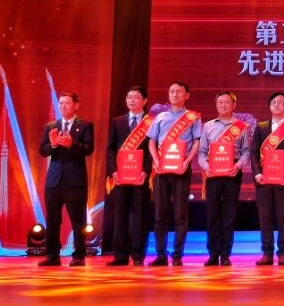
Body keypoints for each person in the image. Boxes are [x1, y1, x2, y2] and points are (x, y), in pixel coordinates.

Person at [146, 81, 202, 266]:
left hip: (182, 169)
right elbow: (152, 141)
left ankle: (177, 255)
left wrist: (188, 160)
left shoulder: (193, 117)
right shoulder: (160, 117)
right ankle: (161, 255)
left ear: (187, 95)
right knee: (160, 214)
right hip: (161, 170)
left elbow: (196, 141)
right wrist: (155, 160)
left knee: (180, 215)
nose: (175, 94)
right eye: (172, 91)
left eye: (179, 91)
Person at [37, 92, 94, 267]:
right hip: (54, 180)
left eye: (67, 103)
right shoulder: (51, 126)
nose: (63, 106)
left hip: (75, 181)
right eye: (60, 103)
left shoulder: (85, 126)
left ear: (76, 105)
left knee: (78, 221)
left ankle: (79, 256)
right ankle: (52, 255)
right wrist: (53, 145)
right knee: (53, 219)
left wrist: (72, 145)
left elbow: (89, 149)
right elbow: (43, 150)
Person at [197, 91, 251, 266]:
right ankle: (213, 254)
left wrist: (238, 166)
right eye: (220, 102)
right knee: (212, 214)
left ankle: (226, 254)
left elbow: (246, 152)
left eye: (227, 102)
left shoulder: (241, 127)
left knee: (229, 215)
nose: (223, 105)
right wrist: (206, 168)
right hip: (212, 173)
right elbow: (202, 152)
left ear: (234, 105)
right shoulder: (208, 126)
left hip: (232, 172)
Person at [250, 91, 284, 266]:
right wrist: (257, 173)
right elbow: (254, 153)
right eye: (273, 102)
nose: (277, 105)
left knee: (283, 218)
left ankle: (283, 253)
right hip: (263, 181)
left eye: (280, 102)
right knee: (265, 218)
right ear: (269, 107)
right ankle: (267, 253)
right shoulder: (261, 127)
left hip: (283, 182)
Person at [105, 86, 152, 266]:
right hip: (120, 177)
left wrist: (146, 171)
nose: (131, 100)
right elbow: (110, 148)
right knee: (121, 216)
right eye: (129, 97)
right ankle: (121, 255)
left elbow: (153, 149)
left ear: (144, 101)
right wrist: (113, 171)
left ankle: (138, 255)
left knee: (140, 216)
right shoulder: (118, 121)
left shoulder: (151, 122)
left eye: (136, 97)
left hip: (141, 177)